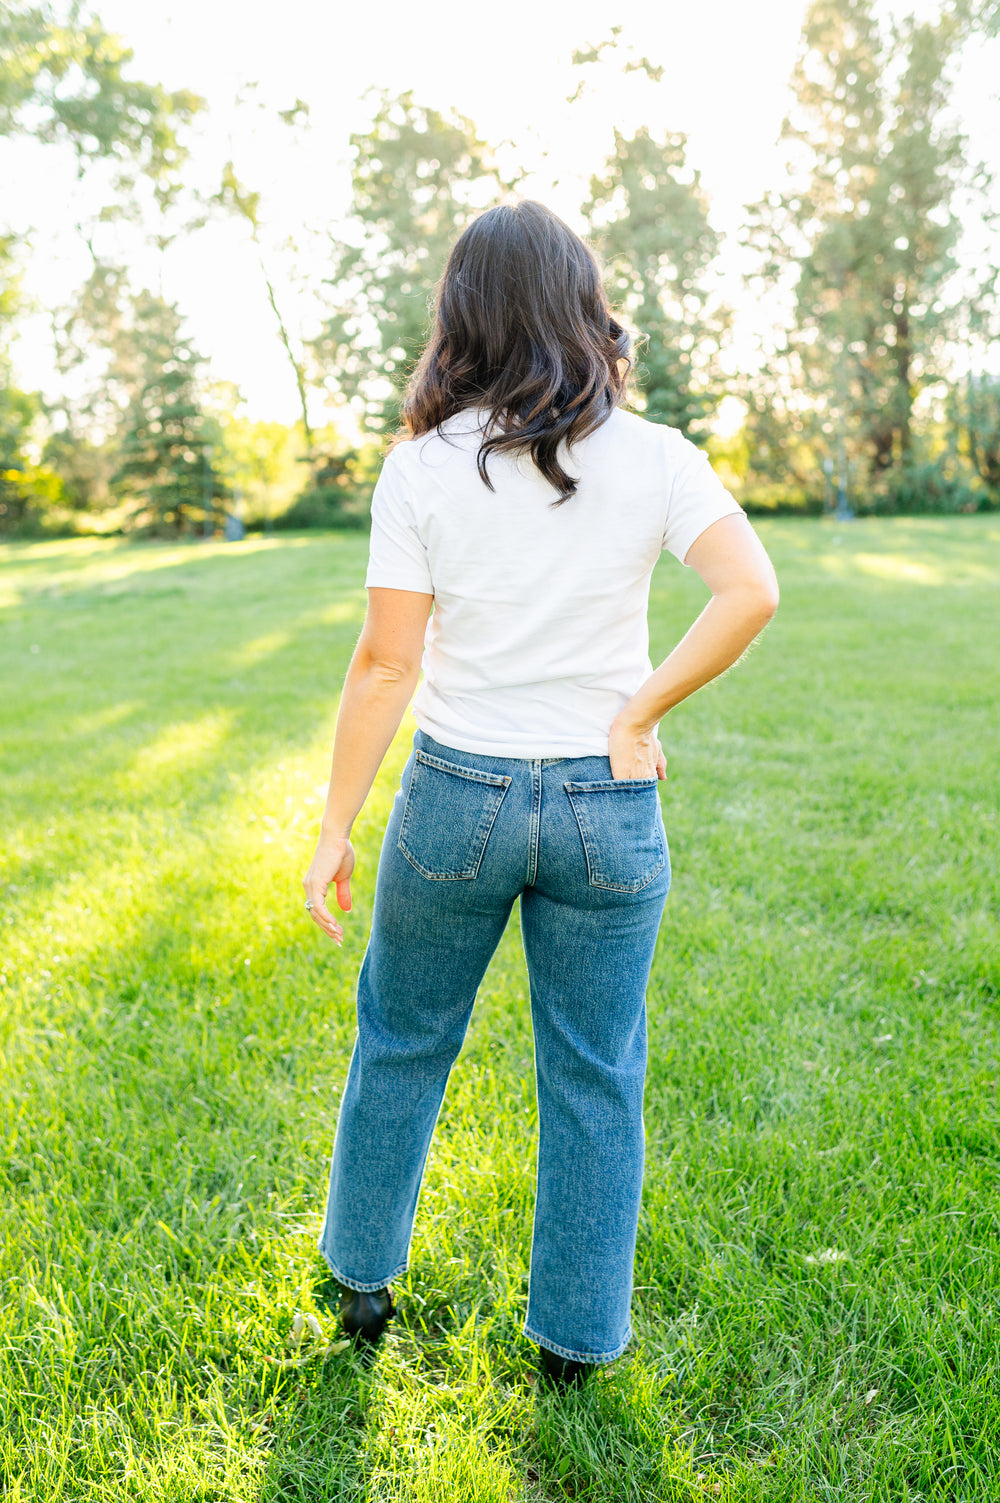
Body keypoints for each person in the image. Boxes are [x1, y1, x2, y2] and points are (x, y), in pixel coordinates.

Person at [302, 199, 779, 1390]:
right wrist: (636, 713)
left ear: (458, 315)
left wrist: (332, 826)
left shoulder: (419, 468)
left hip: (456, 795)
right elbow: (748, 592)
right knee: (594, 1071)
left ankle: (363, 1285)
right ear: (581, 304)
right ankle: (573, 1343)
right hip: (606, 807)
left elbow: (386, 665)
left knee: (402, 1040)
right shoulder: (656, 454)